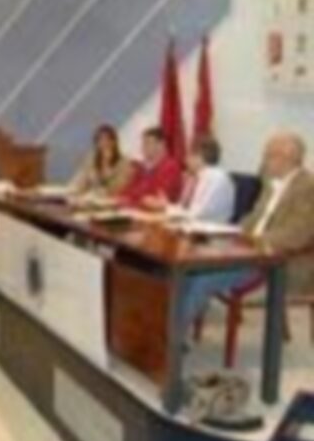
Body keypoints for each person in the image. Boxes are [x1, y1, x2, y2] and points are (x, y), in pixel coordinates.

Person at [180, 132, 314, 329]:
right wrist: (237, 232)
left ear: (287, 159)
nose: (264, 162)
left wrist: (253, 241)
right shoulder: (271, 183)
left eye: (268, 155)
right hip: (248, 252)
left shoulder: (307, 187)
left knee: (200, 279)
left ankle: (170, 342)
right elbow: (253, 218)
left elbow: (297, 234)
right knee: (187, 269)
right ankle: (171, 331)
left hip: (273, 262)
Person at [146, 135, 236, 223]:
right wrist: (167, 205)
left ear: (199, 157)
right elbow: (187, 209)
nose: (185, 160)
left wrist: (167, 207)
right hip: (197, 227)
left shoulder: (216, 178)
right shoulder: (196, 177)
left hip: (211, 232)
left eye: (189, 155)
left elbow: (198, 214)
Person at [119, 127, 183, 207]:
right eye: (143, 143)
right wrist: (117, 199)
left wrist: (129, 200)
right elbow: (129, 189)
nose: (143, 147)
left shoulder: (170, 167)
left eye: (147, 143)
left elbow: (154, 197)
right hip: (137, 211)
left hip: (157, 215)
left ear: (161, 145)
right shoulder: (144, 167)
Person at [70, 125, 134, 196]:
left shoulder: (123, 162)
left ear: (114, 142)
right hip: (90, 198)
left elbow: (120, 186)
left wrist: (104, 190)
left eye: (107, 139)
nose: (103, 143)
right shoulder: (91, 159)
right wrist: (75, 190)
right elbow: (83, 179)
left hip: (110, 200)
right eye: (99, 140)